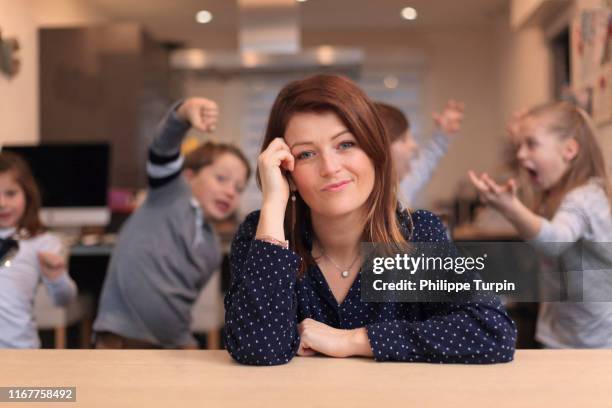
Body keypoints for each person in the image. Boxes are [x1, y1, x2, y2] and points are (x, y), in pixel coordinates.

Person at [224, 74, 516, 365]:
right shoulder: (260, 235)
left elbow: (492, 331)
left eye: (345, 145)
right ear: (288, 172)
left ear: (375, 152)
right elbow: (258, 349)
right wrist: (275, 202)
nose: (330, 167)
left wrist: (354, 340)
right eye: (306, 154)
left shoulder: (417, 233)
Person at [93, 97, 251, 349]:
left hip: (171, 343)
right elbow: (163, 148)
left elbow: (183, 302)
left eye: (239, 188)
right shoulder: (169, 194)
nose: (231, 192)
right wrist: (182, 115)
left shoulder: (211, 247)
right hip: (120, 337)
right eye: (221, 179)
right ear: (188, 177)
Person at [469, 101, 612, 348]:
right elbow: (527, 185)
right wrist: (520, 138)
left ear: (569, 150)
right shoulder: (551, 193)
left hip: (596, 342)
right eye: (518, 146)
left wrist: (509, 207)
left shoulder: (585, 198)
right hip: (561, 334)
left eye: (531, 144)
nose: (521, 154)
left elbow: (554, 242)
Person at [0, 151, 76, 348]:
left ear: (27, 193)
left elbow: (64, 300)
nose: (2, 203)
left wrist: (56, 276)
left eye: (10, 193)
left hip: (20, 349)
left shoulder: (42, 243)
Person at [375, 100, 464, 206]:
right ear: (379, 148)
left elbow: (424, 165)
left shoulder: (400, 188)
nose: (414, 145)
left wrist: (443, 134)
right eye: (403, 139)